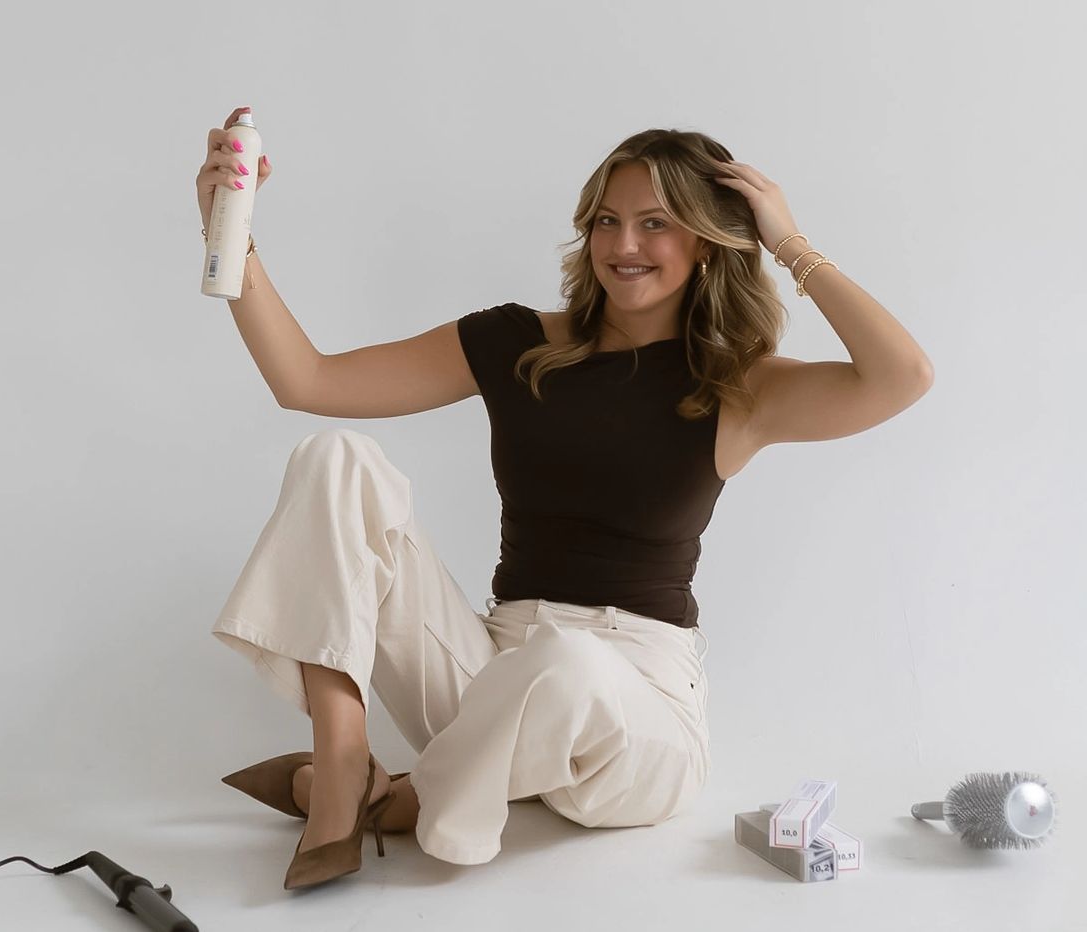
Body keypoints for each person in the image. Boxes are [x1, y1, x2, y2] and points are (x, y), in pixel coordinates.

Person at [196, 106, 934, 889]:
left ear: (707, 241)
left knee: (570, 662)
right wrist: (228, 234)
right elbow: (306, 381)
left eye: (656, 223)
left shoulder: (738, 385)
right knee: (335, 459)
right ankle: (344, 759)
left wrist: (787, 242)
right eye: (607, 221)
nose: (623, 246)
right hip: (491, 676)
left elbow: (903, 377)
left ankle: (411, 798)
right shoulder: (520, 343)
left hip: (636, 712)